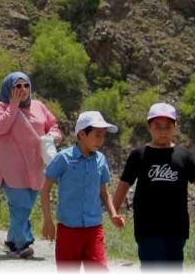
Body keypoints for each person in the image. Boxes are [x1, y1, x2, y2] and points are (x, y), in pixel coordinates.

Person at [112, 103, 195, 267]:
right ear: (149, 126)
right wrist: (115, 211)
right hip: (148, 227)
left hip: (177, 228)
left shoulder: (182, 154)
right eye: (158, 126)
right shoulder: (139, 155)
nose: (163, 131)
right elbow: (124, 184)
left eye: (168, 126)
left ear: (175, 127)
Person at [40, 111, 125, 269]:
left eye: (103, 136)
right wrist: (48, 221)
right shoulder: (63, 158)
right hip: (68, 231)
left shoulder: (100, 160)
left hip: (94, 230)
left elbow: (104, 193)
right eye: (97, 135)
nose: (101, 140)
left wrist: (113, 214)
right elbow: (45, 190)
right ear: (81, 134)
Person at [0, 71, 61, 259]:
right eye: (17, 86)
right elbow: (0, 127)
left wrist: (53, 137)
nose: (22, 90)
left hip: (35, 168)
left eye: (26, 86)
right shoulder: (0, 107)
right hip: (11, 170)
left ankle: (11, 240)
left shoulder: (39, 106)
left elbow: (53, 125)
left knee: (22, 208)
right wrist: (13, 106)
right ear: (9, 89)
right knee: (21, 206)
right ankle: (22, 243)